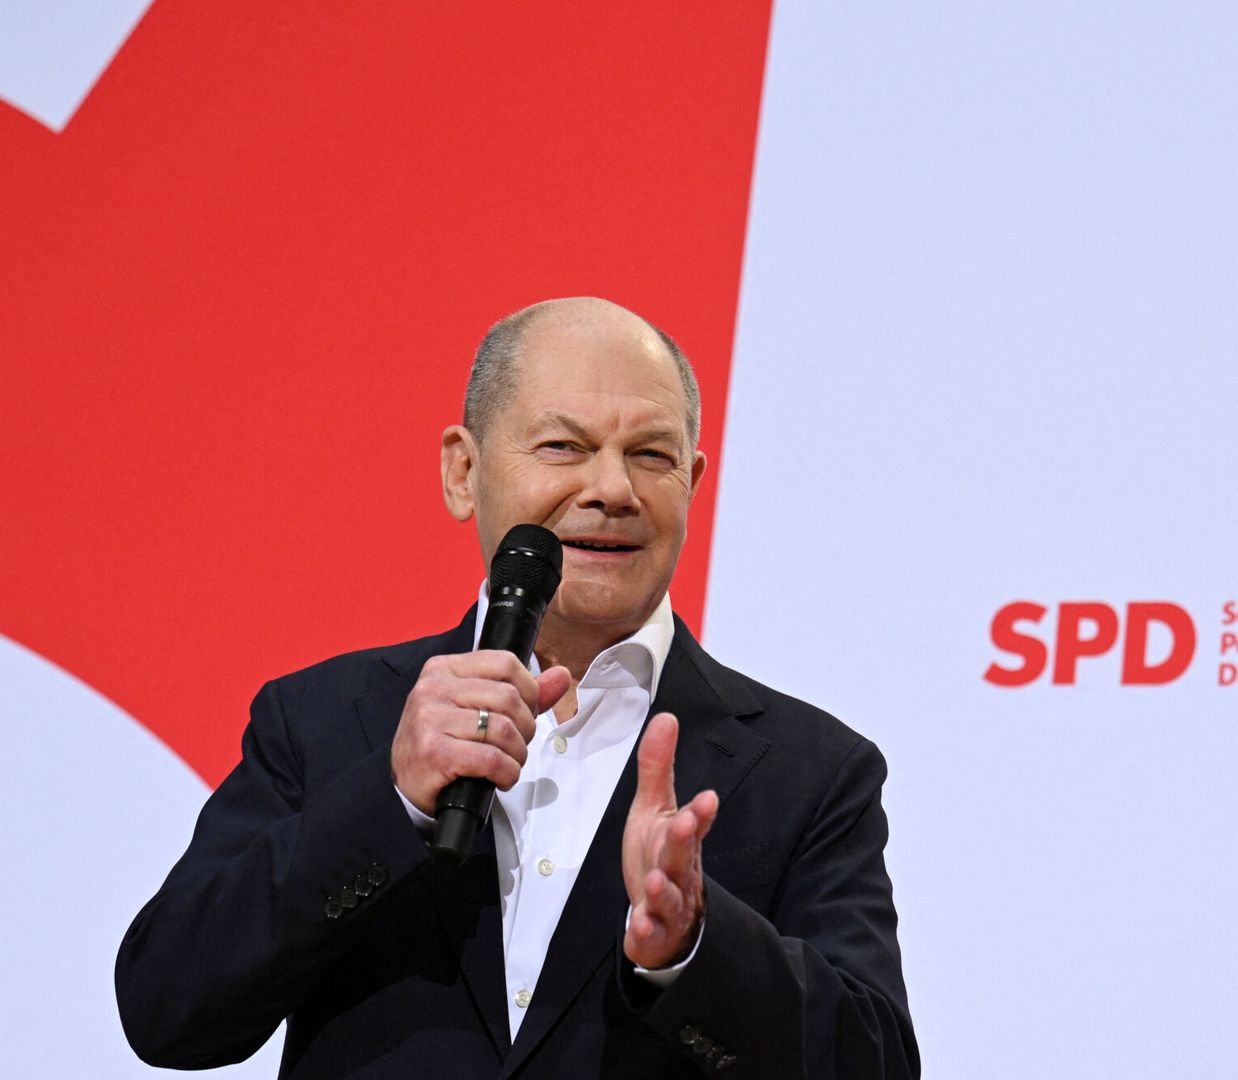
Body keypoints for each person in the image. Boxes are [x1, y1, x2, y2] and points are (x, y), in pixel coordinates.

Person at [116, 297, 919, 1078]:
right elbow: (166, 1010)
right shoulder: (324, 720)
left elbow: (875, 1063)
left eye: (651, 454)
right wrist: (388, 802)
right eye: (564, 447)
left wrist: (695, 952)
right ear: (463, 471)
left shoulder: (811, 772)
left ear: (693, 482)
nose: (613, 489)